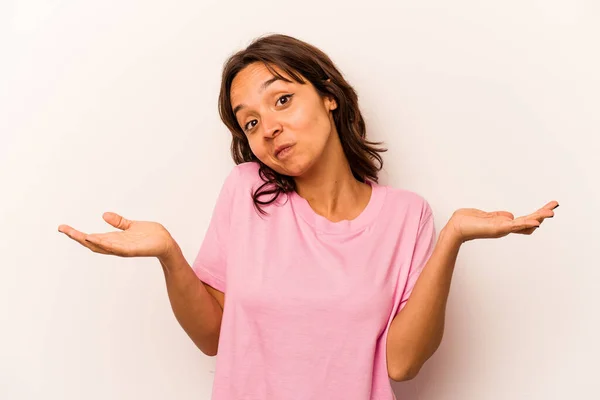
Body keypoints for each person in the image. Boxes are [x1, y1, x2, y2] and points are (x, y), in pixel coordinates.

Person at [58, 34, 558, 400]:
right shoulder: (246, 191)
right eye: (250, 122)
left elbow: (402, 364)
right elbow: (213, 336)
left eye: (282, 99)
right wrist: (168, 253)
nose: (268, 128)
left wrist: (452, 239)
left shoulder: (407, 216)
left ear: (328, 95)